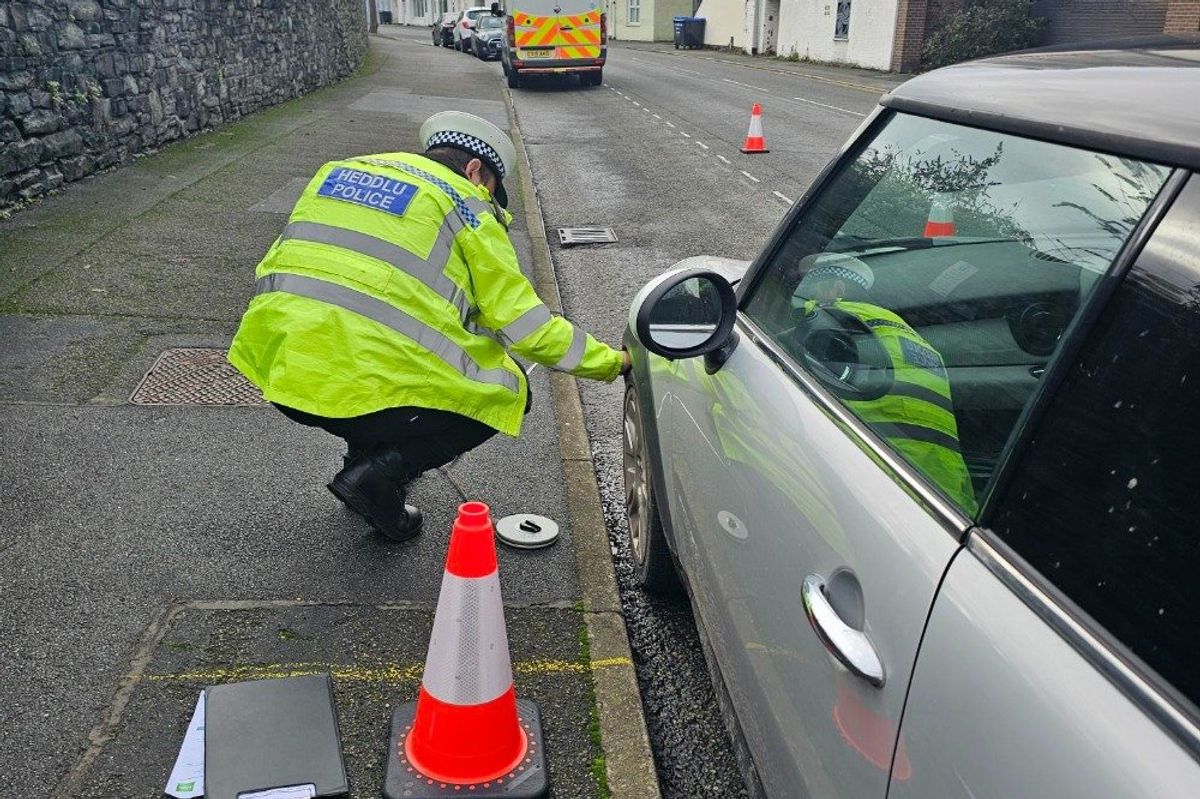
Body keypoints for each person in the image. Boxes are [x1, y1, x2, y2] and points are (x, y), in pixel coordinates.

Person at [228, 111, 629, 541]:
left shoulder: (338, 172)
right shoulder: (467, 204)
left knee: (364, 358)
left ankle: (361, 462)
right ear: (475, 170)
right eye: (493, 190)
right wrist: (614, 362)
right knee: (507, 391)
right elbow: (527, 328)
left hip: (282, 370)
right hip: (360, 391)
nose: (491, 200)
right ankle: (378, 476)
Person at [791, 253, 978, 514]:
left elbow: (781, 332)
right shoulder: (925, 347)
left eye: (810, 289)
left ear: (836, 289)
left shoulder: (831, 318)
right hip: (948, 496)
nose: (806, 296)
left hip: (877, 477)